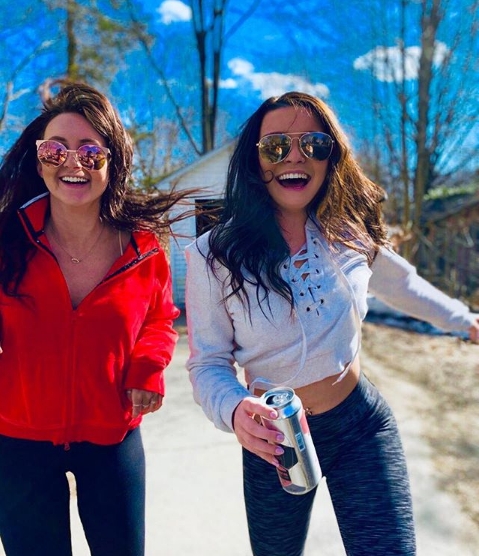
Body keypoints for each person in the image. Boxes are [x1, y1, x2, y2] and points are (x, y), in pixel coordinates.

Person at [184, 91, 479, 556]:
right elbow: (208, 364)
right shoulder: (212, 256)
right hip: (274, 440)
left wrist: (467, 321)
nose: (294, 156)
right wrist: (235, 410)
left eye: (314, 144)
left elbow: (404, 285)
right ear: (255, 160)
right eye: (276, 146)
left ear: (331, 156)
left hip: (360, 424)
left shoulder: (348, 233)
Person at [0, 82, 191, 556]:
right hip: (17, 439)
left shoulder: (144, 248)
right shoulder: (6, 239)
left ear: (113, 161)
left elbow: (160, 317)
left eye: (90, 151)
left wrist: (147, 367)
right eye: (55, 150)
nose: (73, 163)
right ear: (38, 160)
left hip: (113, 437)